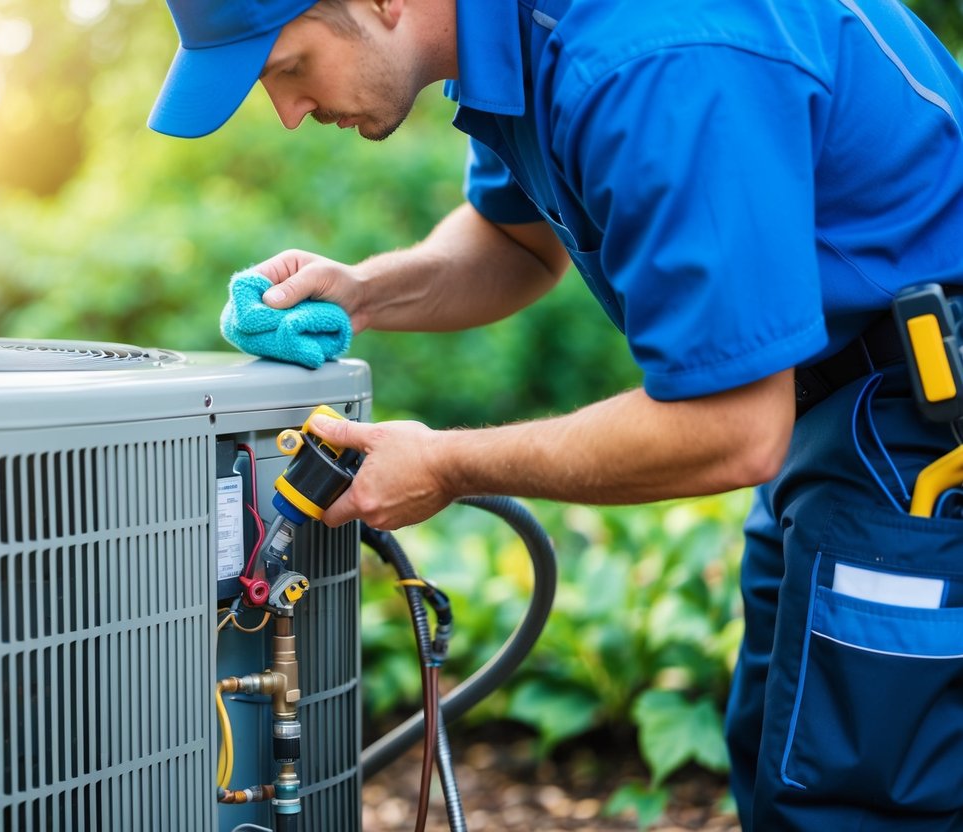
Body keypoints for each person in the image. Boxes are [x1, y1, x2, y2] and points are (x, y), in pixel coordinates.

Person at [148, 0, 963, 827]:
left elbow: (731, 430)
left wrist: (449, 465)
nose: (288, 115)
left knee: (853, 805)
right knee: (778, 761)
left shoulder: (652, 54)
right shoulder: (512, 46)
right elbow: (518, 245)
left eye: (287, 68)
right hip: (835, 416)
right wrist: (364, 291)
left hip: (922, 429)